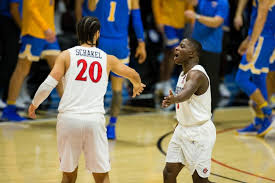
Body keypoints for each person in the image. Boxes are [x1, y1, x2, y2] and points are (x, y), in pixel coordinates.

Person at [28, 16, 145, 183]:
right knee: (102, 176)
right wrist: (137, 84)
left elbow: (48, 84)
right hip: (94, 121)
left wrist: (34, 104)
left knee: (68, 175)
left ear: (78, 33)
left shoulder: (66, 55)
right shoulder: (107, 59)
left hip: (69, 120)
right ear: (97, 34)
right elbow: (133, 74)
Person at [75, 0, 147, 139]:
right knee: (117, 89)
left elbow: (88, 12)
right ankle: (112, 126)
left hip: (101, 42)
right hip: (120, 44)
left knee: (94, 87)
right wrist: (141, 43)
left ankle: (93, 125)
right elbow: (136, 19)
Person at [162, 38, 216, 183]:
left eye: (182, 46)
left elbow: (186, 93)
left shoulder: (196, 74)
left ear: (191, 53)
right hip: (183, 130)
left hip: (199, 133)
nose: (176, 49)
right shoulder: (183, 74)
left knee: (199, 180)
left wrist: (174, 99)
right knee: (169, 172)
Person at [1, 0, 63, 122]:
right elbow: (30, 7)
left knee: (60, 70)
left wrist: (50, 29)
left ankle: (69, 110)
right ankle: (9, 108)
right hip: (34, 31)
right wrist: (45, 28)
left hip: (49, 34)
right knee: (21, 70)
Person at [235, 0, 274, 136]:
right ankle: (259, 121)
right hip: (262, 38)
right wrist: (248, 39)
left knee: (241, 79)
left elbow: (262, 16)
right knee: (258, 79)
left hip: (263, 39)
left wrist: (252, 44)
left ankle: (268, 114)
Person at [184, 0, 229, 112]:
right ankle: (189, 110)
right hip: (195, 45)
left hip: (212, 47)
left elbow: (216, 22)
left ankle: (209, 111)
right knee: (190, 78)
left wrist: (197, 16)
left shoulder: (223, 3)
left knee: (210, 81)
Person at [152, 0, 193, 99]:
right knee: (174, 52)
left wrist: (192, 21)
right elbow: (156, 3)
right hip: (167, 22)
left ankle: (161, 82)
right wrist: (158, 20)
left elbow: (189, 4)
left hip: (182, 23)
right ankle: (166, 81)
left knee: (167, 54)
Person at [0, 0, 22, 108]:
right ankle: (5, 98)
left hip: (12, 22)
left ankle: (9, 98)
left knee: (12, 62)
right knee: (9, 61)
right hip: (9, 21)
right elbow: (14, 9)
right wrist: (24, 29)